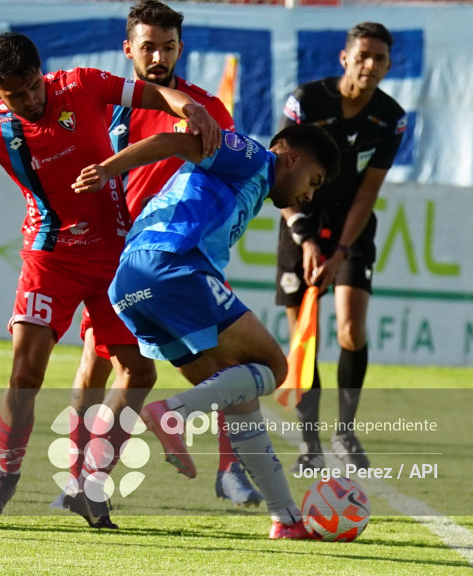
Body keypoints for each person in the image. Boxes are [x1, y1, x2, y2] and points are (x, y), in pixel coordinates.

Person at [0, 31, 221, 528]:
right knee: (26, 374)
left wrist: (186, 104)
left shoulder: (81, 85)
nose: (28, 100)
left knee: (140, 372)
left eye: (32, 88)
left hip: (113, 256)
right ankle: (4, 477)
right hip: (51, 259)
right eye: (14, 94)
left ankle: (92, 483)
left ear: (42, 72)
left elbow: (151, 93)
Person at [72, 123, 340, 539]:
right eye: (314, 181)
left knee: (239, 398)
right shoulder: (254, 157)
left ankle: (286, 520)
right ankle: (172, 414)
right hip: (169, 265)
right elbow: (173, 142)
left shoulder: (251, 184)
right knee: (274, 365)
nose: (309, 195)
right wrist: (108, 169)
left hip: (130, 283)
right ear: (292, 158)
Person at [67, 0, 262, 509]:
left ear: (181, 48)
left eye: (168, 47)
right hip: (107, 249)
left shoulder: (204, 109)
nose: (158, 56)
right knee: (98, 364)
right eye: (147, 46)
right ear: (127, 48)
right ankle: (80, 478)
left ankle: (231, 468)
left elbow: (224, 176)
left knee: (222, 362)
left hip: (171, 257)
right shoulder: (104, 103)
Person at [275, 22, 407, 472]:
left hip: (351, 230)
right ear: (344, 58)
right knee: (304, 336)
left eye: (381, 59)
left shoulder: (391, 117)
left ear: (389, 66)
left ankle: (345, 433)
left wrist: (340, 251)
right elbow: (281, 177)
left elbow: (369, 191)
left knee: (351, 330)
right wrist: (305, 238)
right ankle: (309, 446)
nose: (371, 65)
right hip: (302, 222)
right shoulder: (306, 101)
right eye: (363, 55)